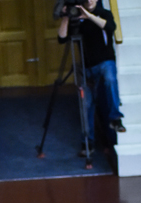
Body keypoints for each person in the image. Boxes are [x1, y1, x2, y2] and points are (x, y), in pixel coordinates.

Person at [57, 1, 125, 155]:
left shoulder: (104, 13)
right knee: (86, 104)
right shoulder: (77, 17)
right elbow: (62, 38)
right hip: (86, 67)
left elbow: (110, 27)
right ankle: (87, 142)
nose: (90, 0)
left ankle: (115, 118)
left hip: (105, 62)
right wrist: (66, 18)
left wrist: (89, 16)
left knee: (110, 79)